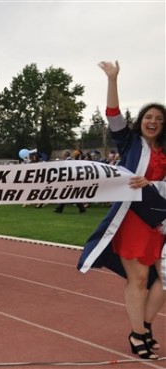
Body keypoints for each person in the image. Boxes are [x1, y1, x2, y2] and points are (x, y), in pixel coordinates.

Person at [78, 61, 166, 360]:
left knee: (163, 279)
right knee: (139, 280)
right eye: (149, 117)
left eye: (159, 119)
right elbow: (113, 116)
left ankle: (144, 326)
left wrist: (154, 182)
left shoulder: (164, 150)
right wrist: (113, 79)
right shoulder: (129, 142)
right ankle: (138, 333)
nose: (153, 122)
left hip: (161, 222)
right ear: (141, 120)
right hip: (133, 219)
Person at [54, 150, 86, 214]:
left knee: (65, 194)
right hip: (72, 180)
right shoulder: (70, 160)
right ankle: (81, 208)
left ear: (65, 155)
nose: (62, 156)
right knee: (71, 195)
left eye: (63, 155)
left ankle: (60, 209)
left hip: (70, 180)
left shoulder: (68, 161)